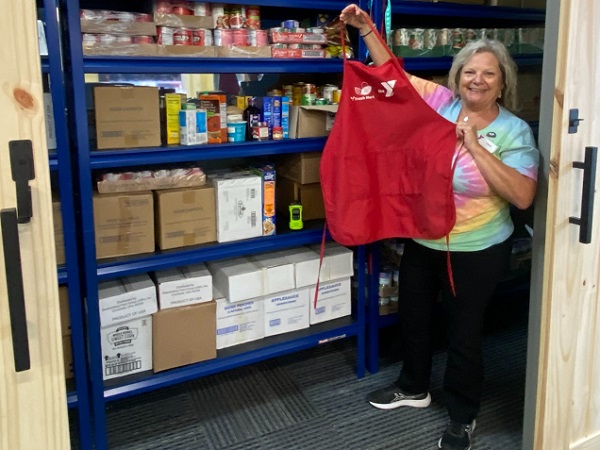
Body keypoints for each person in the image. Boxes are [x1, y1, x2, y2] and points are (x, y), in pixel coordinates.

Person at [340, 4, 539, 450]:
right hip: (426, 236)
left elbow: (523, 196)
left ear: (503, 82)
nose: (477, 80)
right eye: (470, 71)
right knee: (413, 316)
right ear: (457, 76)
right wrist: (367, 29)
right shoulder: (439, 103)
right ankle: (414, 387)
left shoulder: (513, 132)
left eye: (489, 74)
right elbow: (392, 77)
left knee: (464, 335)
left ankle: (463, 415)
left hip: (478, 247)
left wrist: (475, 146)